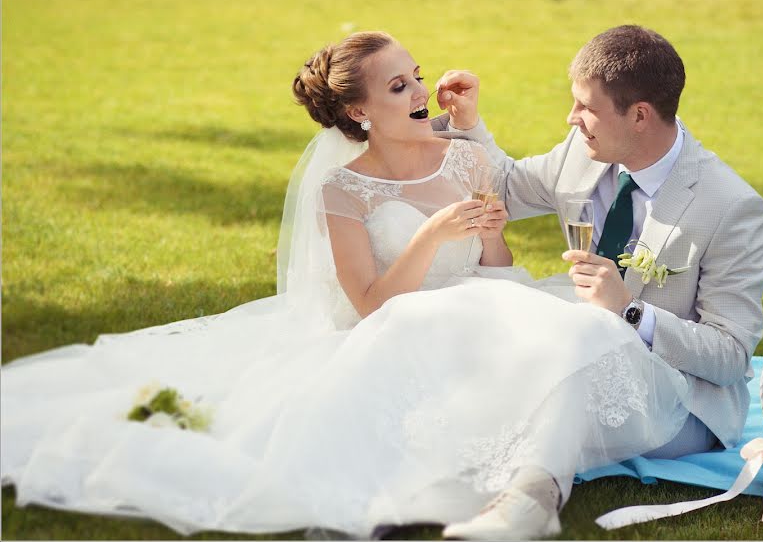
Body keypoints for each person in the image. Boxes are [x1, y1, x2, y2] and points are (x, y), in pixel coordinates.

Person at [1, 31, 694, 540]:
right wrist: (430, 236)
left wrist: (485, 232)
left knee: (566, 334)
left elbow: (497, 266)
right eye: (399, 87)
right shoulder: (345, 188)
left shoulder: (462, 157)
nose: (421, 93)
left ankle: (527, 491)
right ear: (360, 113)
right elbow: (369, 305)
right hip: (399, 330)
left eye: (416, 76)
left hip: (484, 314)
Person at [432, 24, 763, 535]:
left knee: (575, 338)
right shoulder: (580, 149)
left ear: (639, 115)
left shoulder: (730, 206)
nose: (573, 119)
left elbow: (730, 356)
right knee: (493, 325)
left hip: (683, 400)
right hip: (581, 342)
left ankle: (530, 500)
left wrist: (629, 311)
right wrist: (469, 123)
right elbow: (505, 185)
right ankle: (443, 484)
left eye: (586, 108)